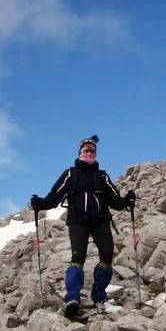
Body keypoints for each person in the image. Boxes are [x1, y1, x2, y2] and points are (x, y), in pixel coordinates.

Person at [31, 135, 136, 317]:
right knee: (78, 256)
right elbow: (54, 197)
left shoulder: (103, 176)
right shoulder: (70, 173)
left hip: (100, 220)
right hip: (78, 220)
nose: (89, 152)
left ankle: (99, 296)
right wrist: (40, 203)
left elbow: (115, 201)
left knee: (106, 254)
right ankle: (72, 298)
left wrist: (127, 200)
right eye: (86, 150)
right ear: (80, 152)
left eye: (92, 150)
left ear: (96, 153)